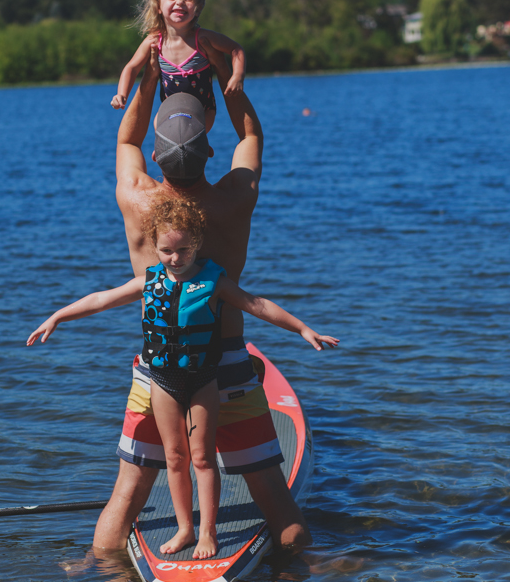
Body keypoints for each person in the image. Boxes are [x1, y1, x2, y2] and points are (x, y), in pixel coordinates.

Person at [93, 53, 320, 554]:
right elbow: (251, 138)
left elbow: (126, 139)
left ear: (156, 154)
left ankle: (98, 578)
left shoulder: (136, 197)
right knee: (276, 502)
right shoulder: (234, 199)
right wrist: (225, 73)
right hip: (229, 365)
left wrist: (150, 78)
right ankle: (303, 577)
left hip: (160, 373)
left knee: (128, 494)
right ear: (209, 148)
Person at [27, 197, 338, 560]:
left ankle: (208, 532)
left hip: (204, 379)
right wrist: (57, 317)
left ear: (198, 244)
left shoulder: (213, 281)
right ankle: (185, 529)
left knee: (203, 458)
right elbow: (101, 299)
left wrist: (303, 329)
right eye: (167, 251)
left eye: (184, 249)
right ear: (155, 247)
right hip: (161, 381)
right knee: (175, 459)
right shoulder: (149, 280)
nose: (175, 258)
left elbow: (257, 304)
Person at [110, 0, 245, 132]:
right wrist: (121, 94)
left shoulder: (203, 38)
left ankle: (199, 147)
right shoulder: (155, 41)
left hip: (204, 111)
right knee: (158, 126)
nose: (179, 2)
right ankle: (162, 152)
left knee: (194, 134)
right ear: (158, 5)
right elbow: (132, 67)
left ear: (198, 6)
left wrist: (238, 76)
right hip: (169, 112)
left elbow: (236, 49)